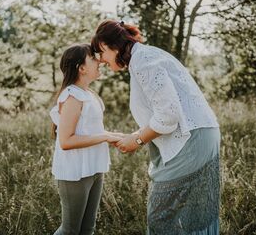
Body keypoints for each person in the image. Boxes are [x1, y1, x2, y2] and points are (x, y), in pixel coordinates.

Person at [91, 20, 221, 234]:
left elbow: (168, 116)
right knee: (191, 215)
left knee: (160, 216)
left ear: (105, 46)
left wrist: (138, 140)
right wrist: (135, 135)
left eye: (101, 55)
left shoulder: (143, 61)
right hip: (200, 133)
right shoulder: (144, 56)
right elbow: (164, 111)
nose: (101, 61)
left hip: (191, 138)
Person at [49, 43, 123, 235]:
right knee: (70, 230)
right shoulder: (72, 96)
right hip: (75, 171)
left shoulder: (89, 94)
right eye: (93, 58)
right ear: (81, 68)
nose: (99, 60)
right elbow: (66, 141)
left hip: (94, 166)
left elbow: (90, 130)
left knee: (87, 229)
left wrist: (113, 136)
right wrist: (105, 137)